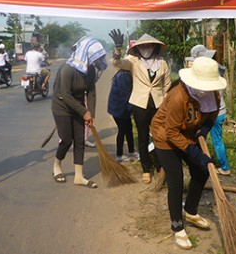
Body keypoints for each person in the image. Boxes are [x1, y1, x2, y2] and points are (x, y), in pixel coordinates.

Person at [151, 56, 226, 250]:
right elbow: (171, 132)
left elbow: (212, 116)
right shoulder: (178, 97)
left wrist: (206, 128)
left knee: (201, 171)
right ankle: (177, 225)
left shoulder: (214, 94)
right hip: (165, 136)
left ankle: (190, 211)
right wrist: (194, 152)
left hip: (187, 133)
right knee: (176, 181)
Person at [109, 29, 171, 184]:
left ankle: (160, 164)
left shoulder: (162, 63)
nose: (146, 49)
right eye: (143, 46)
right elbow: (117, 63)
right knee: (143, 137)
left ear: (154, 47)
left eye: (149, 46)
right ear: (137, 48)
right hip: (140, 104)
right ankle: (146, 169)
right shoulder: (133, 61)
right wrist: (118, 48)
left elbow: (167, 85)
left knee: (159, 136)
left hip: (158, 104)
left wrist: (165, 102)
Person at [51, 36, 108, 189]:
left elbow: (91, 93)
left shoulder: (89, 70)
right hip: (62, 105)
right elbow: (66, 95)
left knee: (80, 140)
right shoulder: (67, 69)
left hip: (77, 106)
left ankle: (79, 176)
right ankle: (57, 165)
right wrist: (84, 112)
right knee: (66, 139)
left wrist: (92, 114)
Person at [189, 45, 231, 176]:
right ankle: (204, 161)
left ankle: (224, 167)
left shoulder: (208, 72)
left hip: (213, 113)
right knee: (206, 139)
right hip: (219, 111)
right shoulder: (215, 68)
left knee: (213, 140)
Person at [107, 68, 138, 163]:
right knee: (123, 130)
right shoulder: (123, 75)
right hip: (118, 108)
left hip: (121, 108)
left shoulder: (126, 73)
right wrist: (132, 110)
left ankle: (131, 151)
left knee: (128, 129)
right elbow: (126, 95)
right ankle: (119, 155)